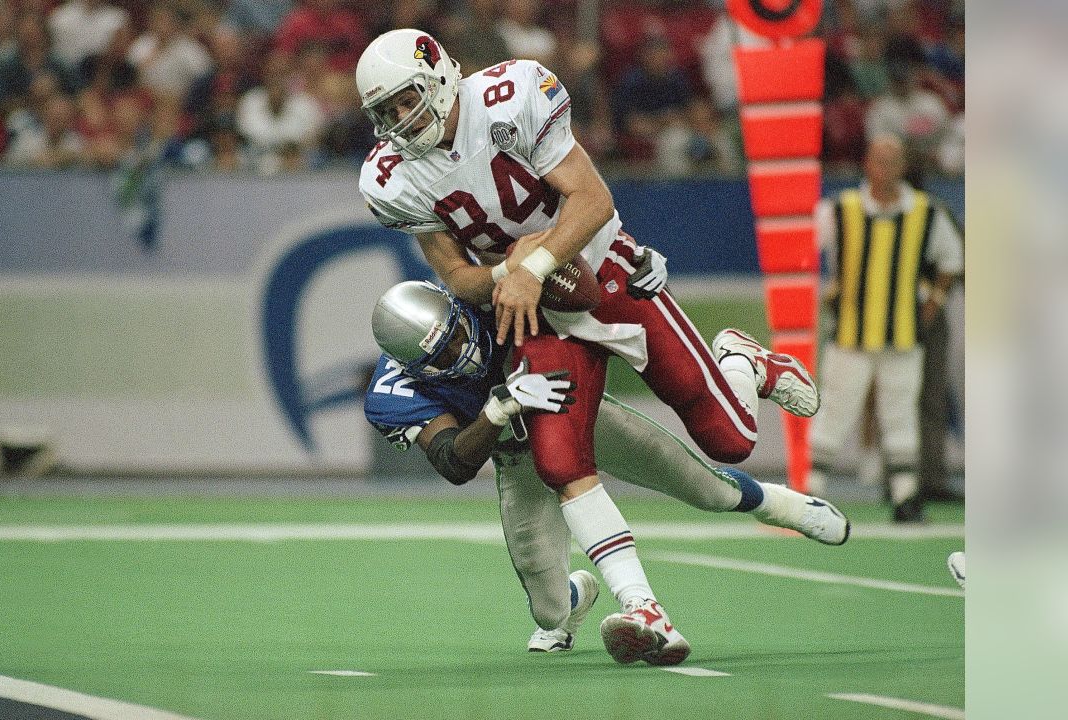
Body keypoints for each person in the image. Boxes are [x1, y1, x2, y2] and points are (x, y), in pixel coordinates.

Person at [354, 29, 822, 661]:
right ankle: (645, 610)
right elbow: (459, 278)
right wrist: (511, 274)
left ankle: (741, 360)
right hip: (535, 311)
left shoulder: (509, 96)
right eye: (382, 113)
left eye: (402, 102)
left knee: (729, 440)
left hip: (601, 274)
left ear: (437, 75)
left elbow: (593, 200)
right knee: (559, 458)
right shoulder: (392, 179)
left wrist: (536, 261)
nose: (396, 123)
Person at [364, 281, 850, 660]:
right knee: (550, 613)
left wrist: (638, 275)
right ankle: (580, 594)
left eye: (458, 335)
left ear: (453, 306)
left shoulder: (484, 298)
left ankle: (778, 500)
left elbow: (577, 287)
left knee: (705, 488)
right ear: (413, 367)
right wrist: (499, 408)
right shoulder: (394, 392)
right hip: (513, 454)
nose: (462, 351)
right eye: (443, 355)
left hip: (570, 411)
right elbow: (453, 463)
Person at [807, 134, 963, 522]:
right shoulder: (839, 209)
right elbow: (806, 252)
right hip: (850, 334)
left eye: (894, 160)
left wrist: (934, 301)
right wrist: (827, 290)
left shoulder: (926, 212)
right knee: (835, 410)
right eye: (880, 159)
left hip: (903, 334)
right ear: (867, 164)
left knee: (901, 415)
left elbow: (952, 259)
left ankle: (905, 497)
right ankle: (810, 492)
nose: (887, 168)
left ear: (904, 166)